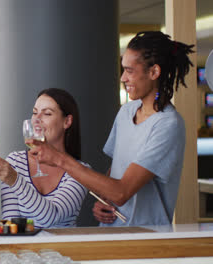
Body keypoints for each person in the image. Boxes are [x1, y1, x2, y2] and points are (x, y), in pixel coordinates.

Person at [28, 31, 194, 226]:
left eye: (130, 70)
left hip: (146, 237)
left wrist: (57, 158)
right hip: (111, 230)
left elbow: (121, 192)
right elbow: (117, 169)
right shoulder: (127, 111)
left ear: (154, 72)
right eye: (123, 69)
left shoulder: (167, 124)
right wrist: (103, 198)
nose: (123, 77)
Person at [0, 88, 88, 228]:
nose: (36, 119)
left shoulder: (81, 171)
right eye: (34, 112)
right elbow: (10, 223)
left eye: (47, 114)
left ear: (67, 121)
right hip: (23, 250)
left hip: (62, 249)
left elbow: (50, 218)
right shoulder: (15, 161)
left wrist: (15, 180)